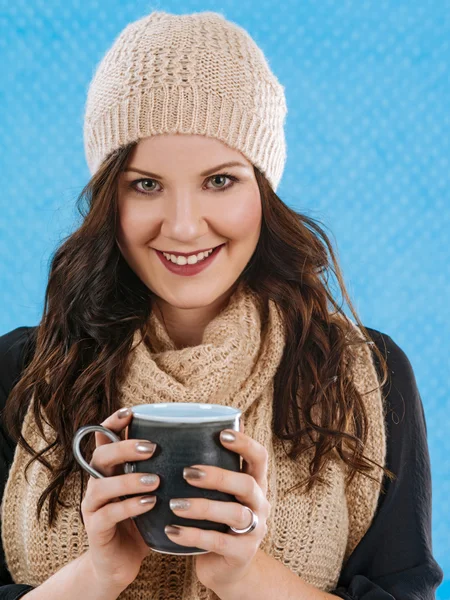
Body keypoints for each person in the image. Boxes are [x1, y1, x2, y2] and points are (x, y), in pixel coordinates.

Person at [0, 9, 443, 600]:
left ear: (264, 188)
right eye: (145, 184)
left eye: (220, 180)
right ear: (110, 199)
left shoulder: (365, 375)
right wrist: (96, 575)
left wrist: (246, 574)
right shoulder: (25, 371)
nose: (184, 227)